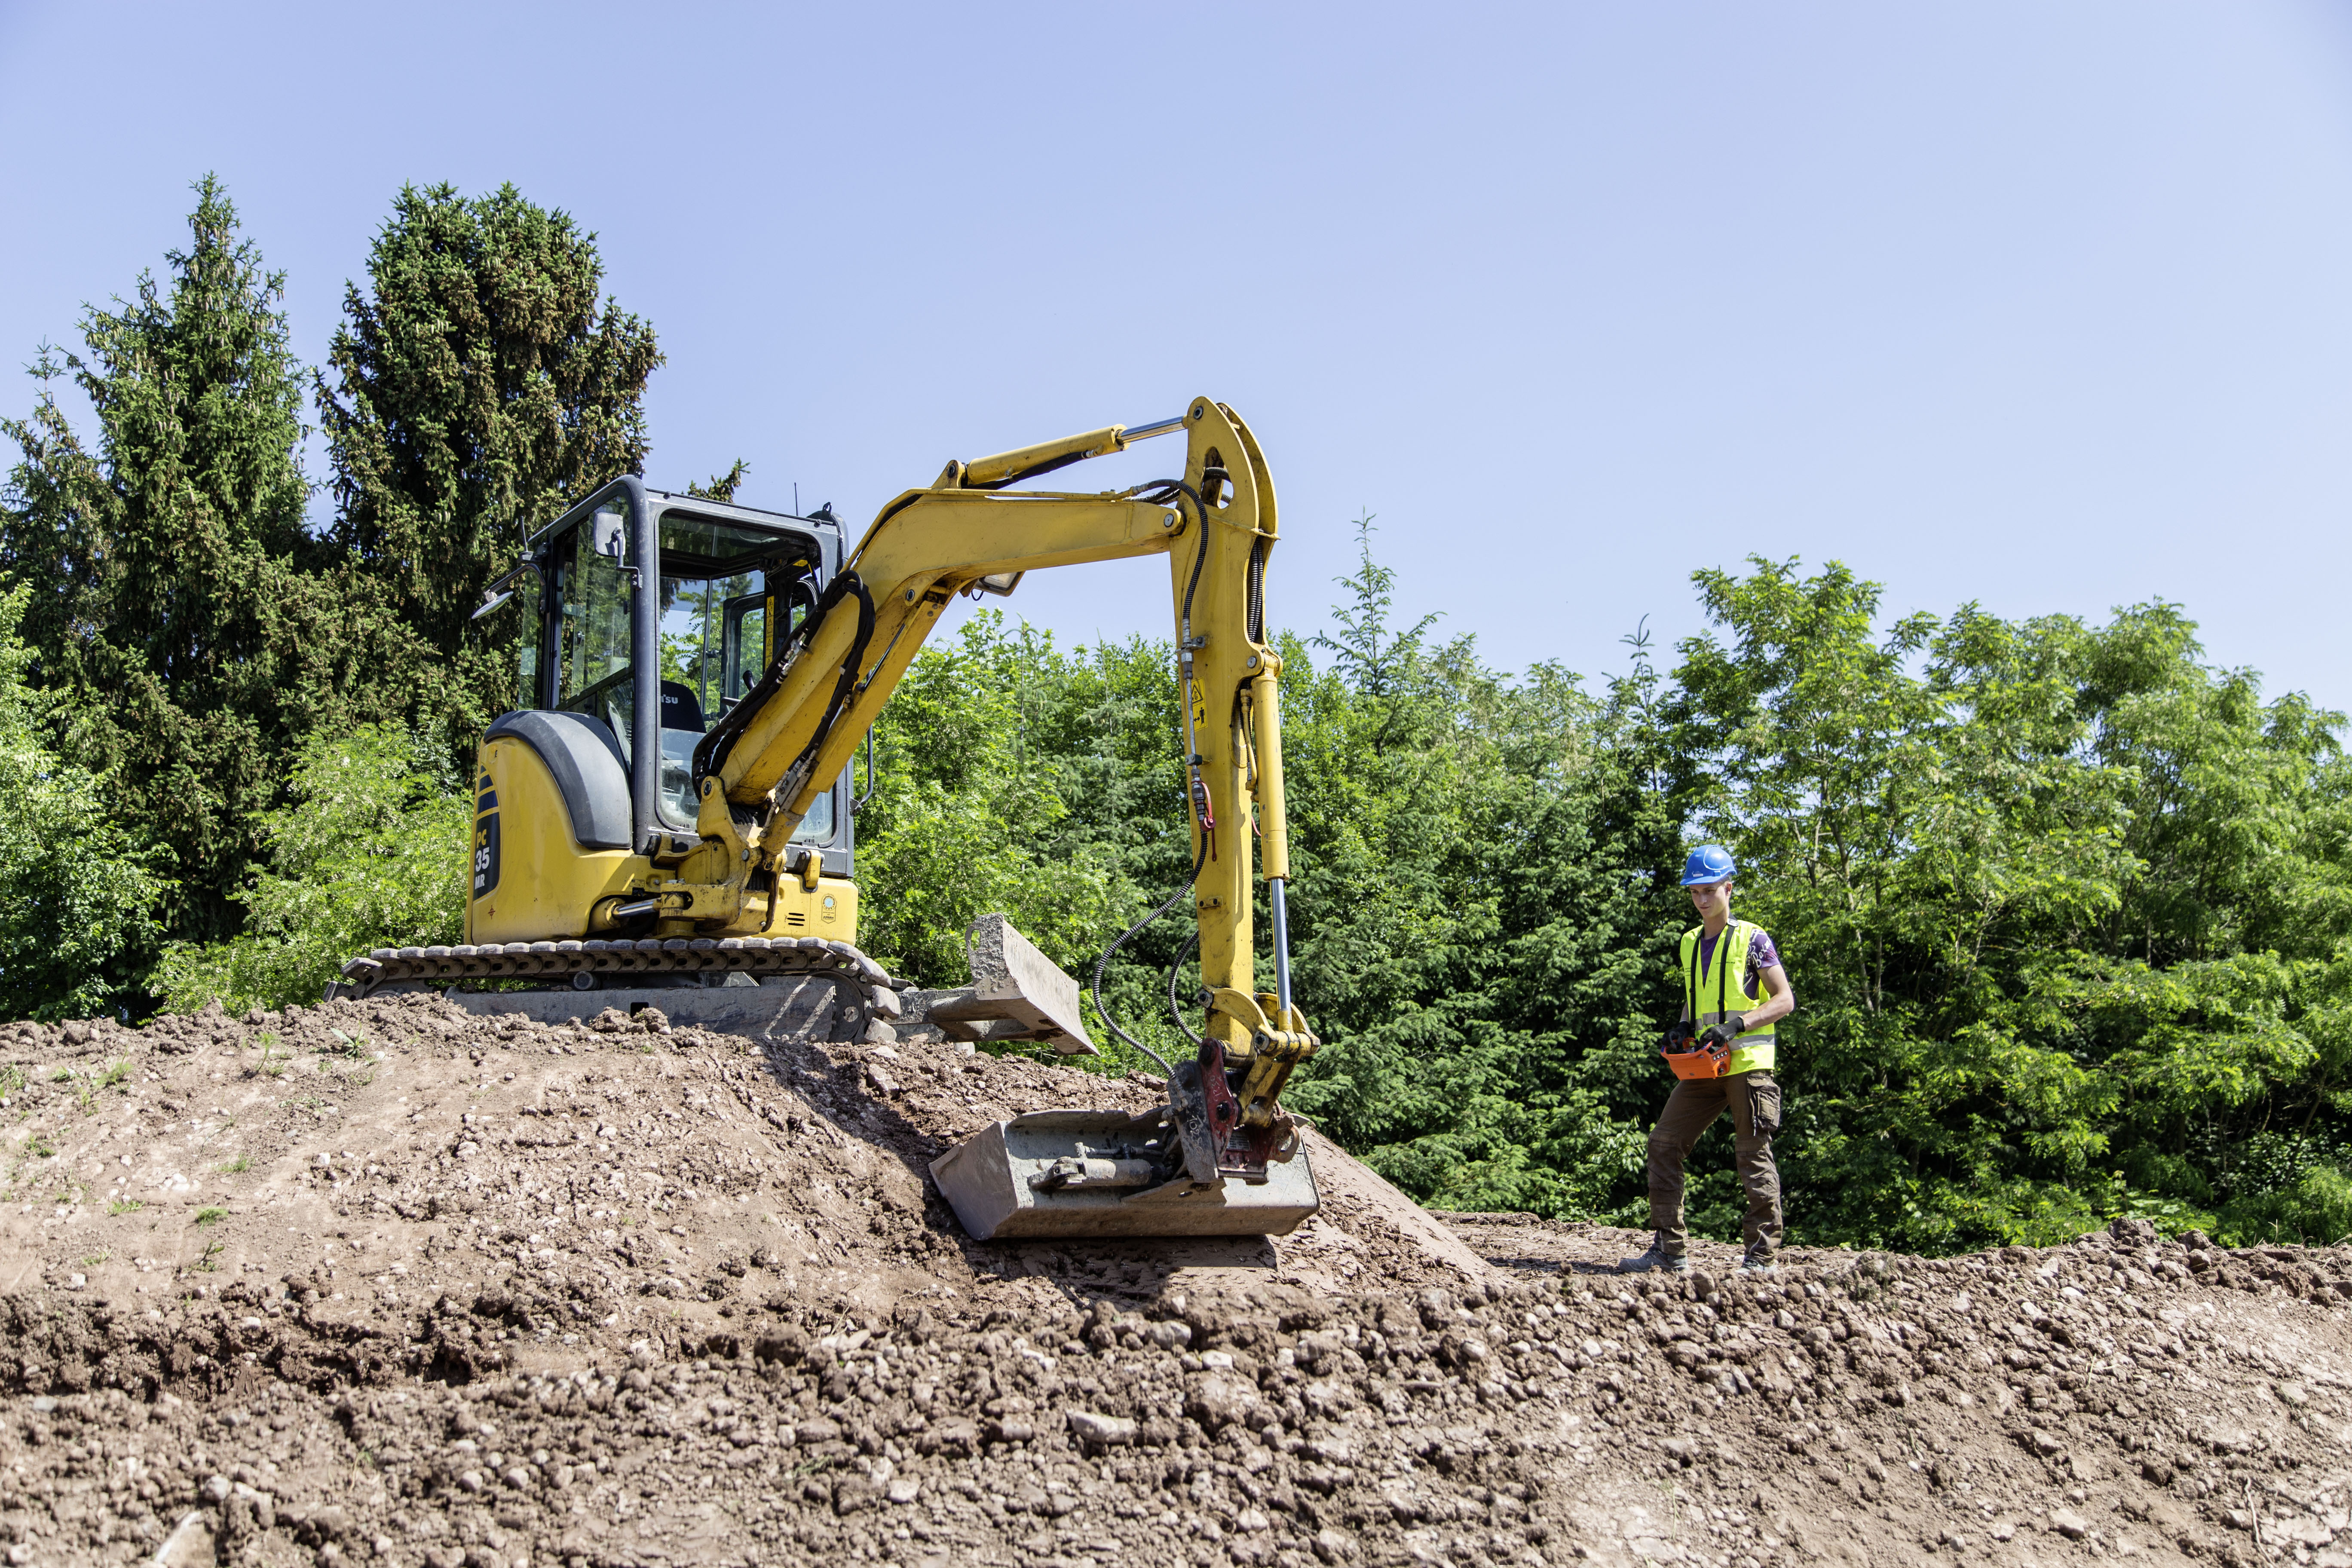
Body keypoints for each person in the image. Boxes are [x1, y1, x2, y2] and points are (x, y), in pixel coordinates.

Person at [1620, 844, 1795, 1277]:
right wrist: (1683, 1027)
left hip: (1747, 1064)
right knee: (1663, 1143)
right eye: (1694, 892)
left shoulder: (1753, 939)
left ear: (1728, 889)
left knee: (1752, 1156)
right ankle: (1669, 1251)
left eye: (1709, 891)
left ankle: (1762, 1258)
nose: (1701, 900)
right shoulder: (1689, 943)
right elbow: (1696, 997)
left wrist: (1738, 1026)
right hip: (1703, 1064)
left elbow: (1785, 1000)